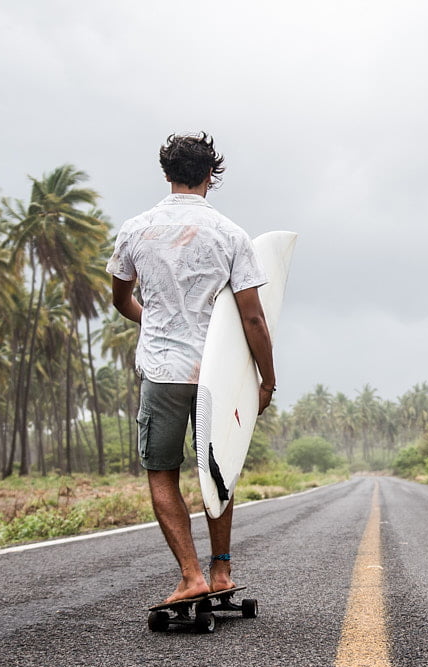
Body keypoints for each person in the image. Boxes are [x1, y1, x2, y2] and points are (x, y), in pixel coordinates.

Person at [107, 132, 276, 607]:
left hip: (163, 371)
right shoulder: (230, 234)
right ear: (210, 175)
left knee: (163, 473)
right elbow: (253, 318)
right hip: (217, 375)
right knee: (216, 467)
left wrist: (153, 321)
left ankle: (190, 576)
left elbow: (121, 298)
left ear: (166, 174)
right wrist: (268, 378)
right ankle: (221, 572)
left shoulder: (136, 229)